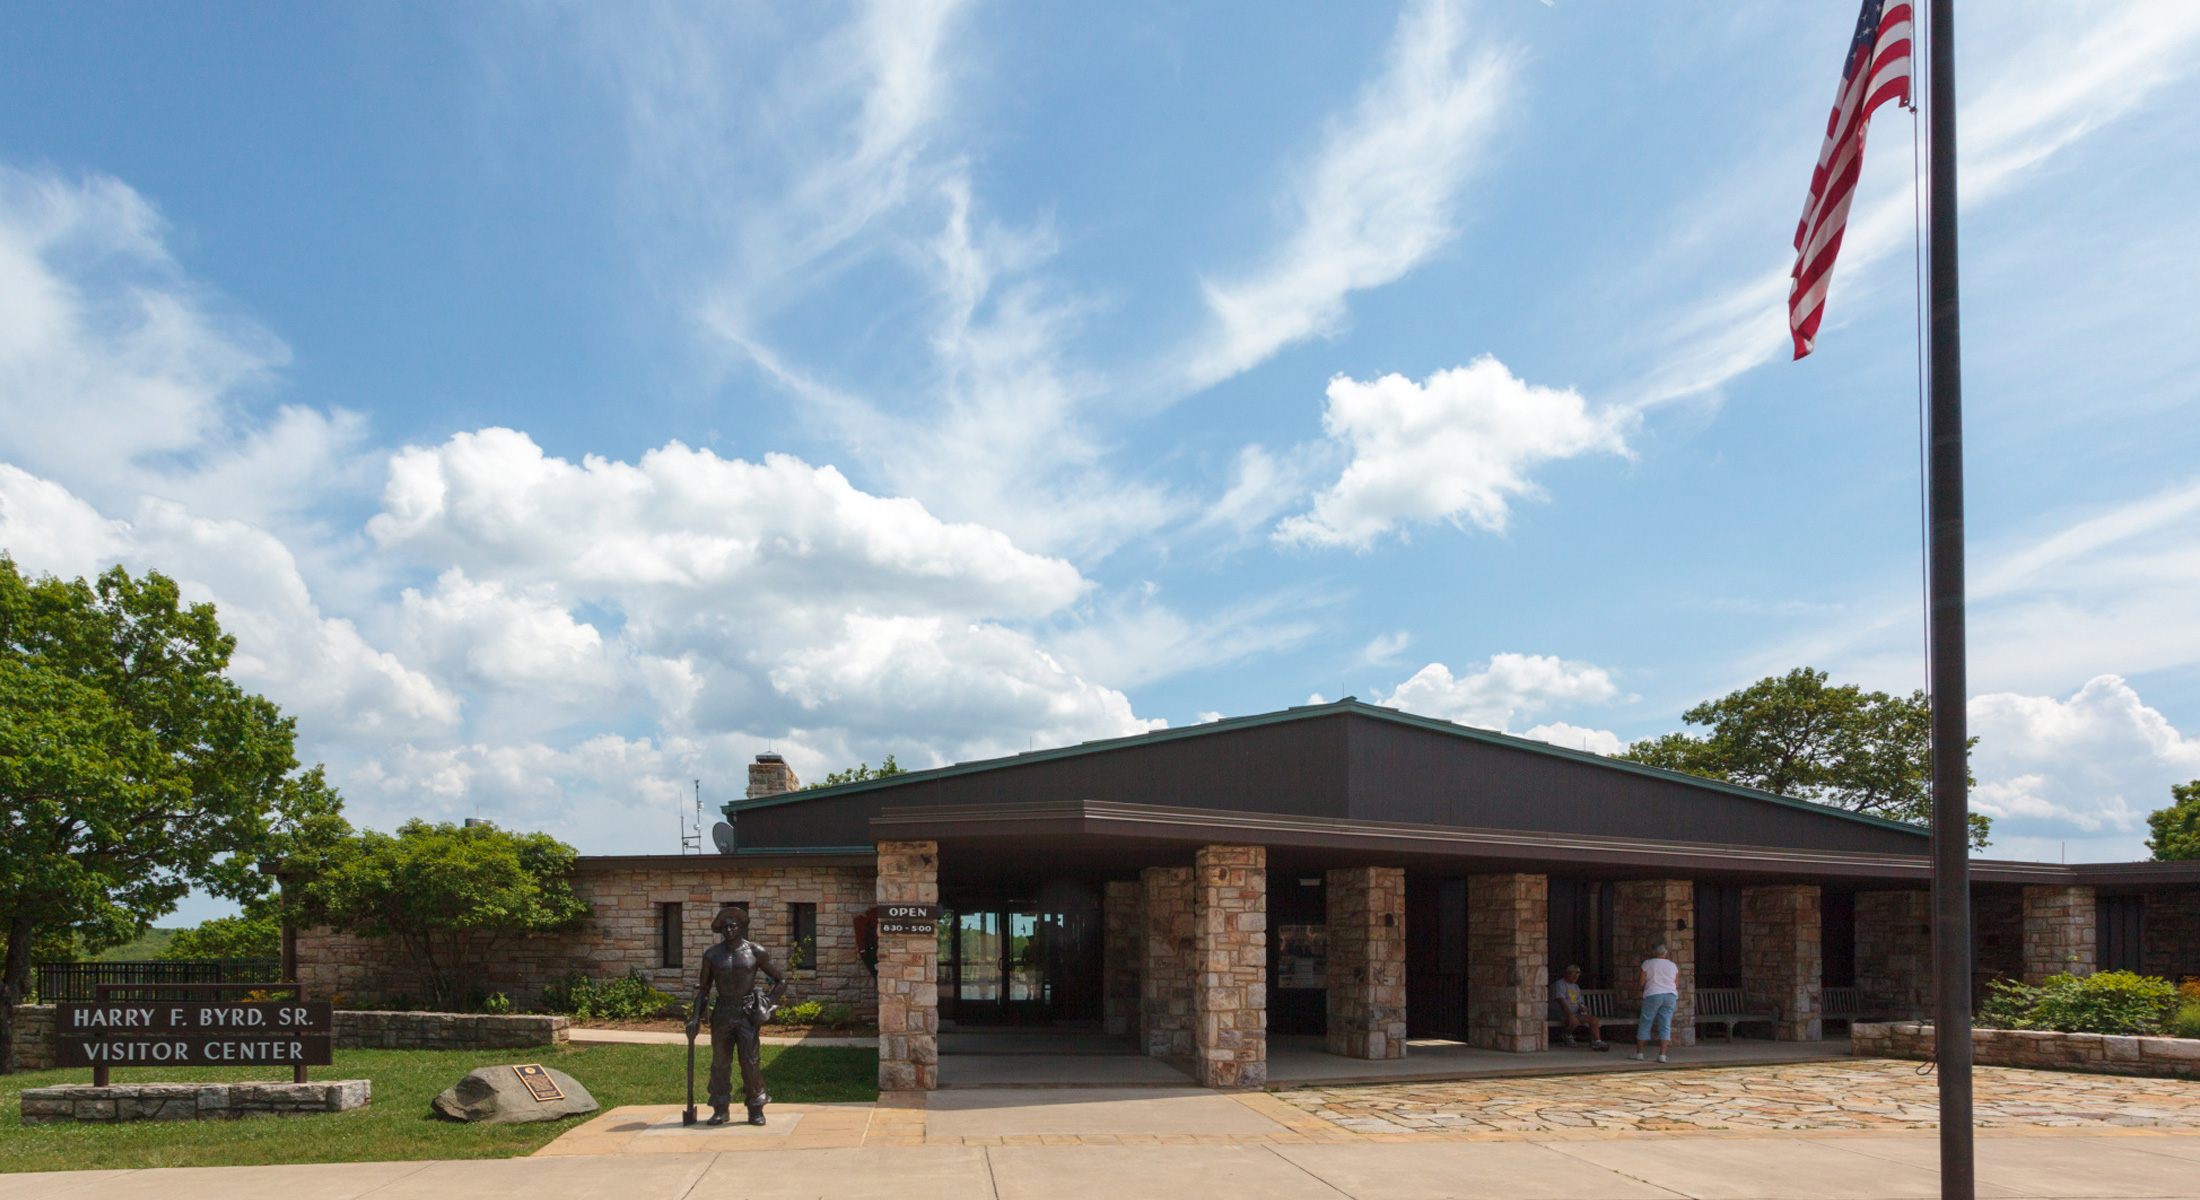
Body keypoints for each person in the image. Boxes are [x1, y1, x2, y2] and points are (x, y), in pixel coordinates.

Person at [686, 904, 787, 1125]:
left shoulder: (755, 951)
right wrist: (695, 1018)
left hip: (746, 1013)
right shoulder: (712, 955)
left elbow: (780, 981)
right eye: (725, 926)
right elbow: (703, 991)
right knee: (720, 1062)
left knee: (750, 1061)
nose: (729, 929)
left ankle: (755, 1106)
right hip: (722, 1011)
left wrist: (766, 1005)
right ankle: (720, 1107)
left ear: (741, 927)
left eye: (733, 925)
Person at [1631, 942, 1679, 1063]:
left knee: (1646, 1022)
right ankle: (1662, 1055)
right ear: (1666, 953)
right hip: (1670, 995)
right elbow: (1676, 983)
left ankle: (1639, 1053)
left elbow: (1641, 982)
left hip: (1653, 994)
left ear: (1654, 952)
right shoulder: (1673, 965)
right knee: (1665, 1024)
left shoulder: (1647, 964)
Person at [1549, 965, 1607, 1050]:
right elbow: (1561, 1002)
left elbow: (1579, 1002)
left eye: (1577, 975)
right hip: (1560, 1012)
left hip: (1576, 1012)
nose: (1575, 977)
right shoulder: (1559, 984)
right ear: (1567, 974)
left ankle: (1597, 1041)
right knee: (1574, 1021)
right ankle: (1567, 1035)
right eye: (1573, 974)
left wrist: (1582, 1008)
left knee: (1593, 1019)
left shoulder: (1576, 987)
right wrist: (1570, 1016)